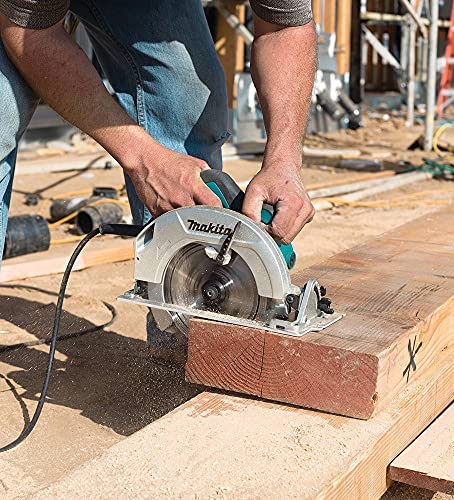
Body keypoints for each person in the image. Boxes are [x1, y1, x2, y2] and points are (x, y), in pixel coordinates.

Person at [0, 0, 316, 359]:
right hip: (23, 16)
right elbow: (28, 31)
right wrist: (143, 159)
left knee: (182, 98)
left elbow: (284, 27)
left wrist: (284, 159)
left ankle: (187, 341)